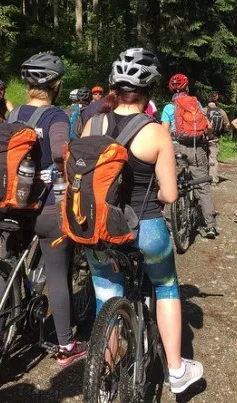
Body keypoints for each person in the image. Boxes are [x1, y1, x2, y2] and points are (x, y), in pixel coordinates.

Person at [82, 49, 204, 394]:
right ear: (150, 90)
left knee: (107, 296)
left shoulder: (92, 124)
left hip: (100, 227)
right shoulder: (154, 132)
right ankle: (177, 371)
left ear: (112, 87)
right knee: (165, 287)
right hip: (144, 227)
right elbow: (169, 194)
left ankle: (103, 383)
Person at [0, 53, 87, 369]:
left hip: (12, 204)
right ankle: (65, 345)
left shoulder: (15, 114)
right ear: (55, 85)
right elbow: (59, 152)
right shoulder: (56, 117)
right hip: (45, 205)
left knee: (8, 267)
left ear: (29, 84)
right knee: (57, 272)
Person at [162, 74, 218, 239]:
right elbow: (207, 126)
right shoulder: (197, 104)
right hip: (196, 148)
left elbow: (164, 131)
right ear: (187, 88)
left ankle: (171, 226)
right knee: (203, 186)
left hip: (176, 148)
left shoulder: (168, 108)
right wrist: (209, 136)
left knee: (171, 184)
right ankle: (210, 227)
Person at [204, 92, 230, 185]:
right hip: (215, 138)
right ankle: (214, 179)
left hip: (203, 137)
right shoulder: (221, 111)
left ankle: (203, 178)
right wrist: (223, 132)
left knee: (203, 157)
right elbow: (227, 125)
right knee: (213, 158)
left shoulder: (203, 110)